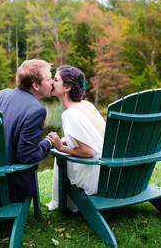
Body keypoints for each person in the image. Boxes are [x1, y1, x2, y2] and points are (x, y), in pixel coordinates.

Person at [0, 59, 54, 202]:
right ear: (36, 85)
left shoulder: (1, 94)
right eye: (49, 79)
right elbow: (27, 156)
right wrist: (48, 142)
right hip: (9, 187)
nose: (52, 82)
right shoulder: (36, 110)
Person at [46, 65, 106, 211]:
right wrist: (66, 139)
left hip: (95, 180)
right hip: (107, 171)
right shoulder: (86, 105)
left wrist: (61, 147)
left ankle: (67, 202)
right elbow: (95, 135)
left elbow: (88, 152)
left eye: (55, 79)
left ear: (67, 87)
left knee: (60, 154)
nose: (52, 82)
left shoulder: (70, 114)